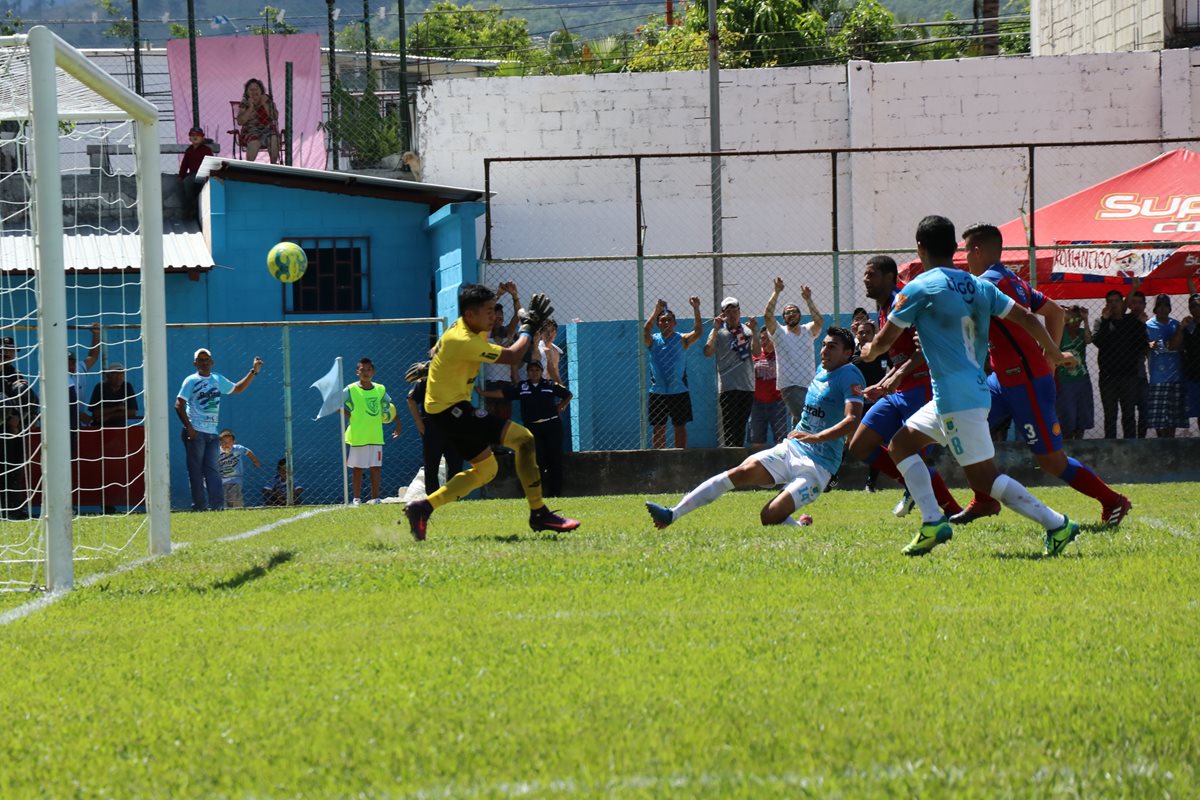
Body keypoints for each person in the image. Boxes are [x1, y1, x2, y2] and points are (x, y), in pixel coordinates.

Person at [859, 215, 1080, 557]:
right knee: (900, 445)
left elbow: (885, 343)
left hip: (956, 398)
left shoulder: (919, 287)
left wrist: (868, 349)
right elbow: (1026, 317)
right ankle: (933, 521)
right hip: (967, 390)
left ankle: (1057, 524)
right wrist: (1053, 352)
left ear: (920, 247)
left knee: (984, 480)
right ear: (954, 249)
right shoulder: (978, 285)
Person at [950, 223, 1129, 526]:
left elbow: (1042, 317)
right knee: (968, 430)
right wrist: (1051, 356)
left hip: (1026, 382)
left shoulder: (988, 283)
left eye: (965, 251)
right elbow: (1055, 312)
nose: (963, 257)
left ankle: (1113, 501)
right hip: (1002, 381)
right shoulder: (1011, 279)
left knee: (1051, 461)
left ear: (977, 251)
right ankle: (984, 500)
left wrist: (1052, 358)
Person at [402, 284, 580, 540]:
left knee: (486, 470)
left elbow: (437, 351)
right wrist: (528, 327)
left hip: (445, 411)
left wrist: (433, 365)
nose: (494, 316)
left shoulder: (462, 327)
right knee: (524, 439)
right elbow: (512, 355)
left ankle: (423, 507)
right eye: (489, 312)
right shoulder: (465, 339)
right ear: (471, 315)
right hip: (452, 412)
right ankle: (539, 513)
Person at [645, 328, 864, 530]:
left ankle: (800, 526)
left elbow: (853, 419)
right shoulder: (822, 369)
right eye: (824, 344)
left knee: (769, 516)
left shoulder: (849, 375)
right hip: (792, 449)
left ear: (847, 353)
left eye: (832, 347)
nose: (824, 350)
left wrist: (815, 437)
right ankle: (671, 514)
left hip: (818, 466)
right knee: (735, 474)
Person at [845, 256, 962, 519]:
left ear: (889, 277)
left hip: (920, 388)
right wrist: (883, 382)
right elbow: (898, 356)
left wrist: (897, 375)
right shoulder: (885, 306)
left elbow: (924, 350)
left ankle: (953, 512)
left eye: (871, 274)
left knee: (913, 457)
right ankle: (913, 486)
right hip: (899, 390)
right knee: (859, 444)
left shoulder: (903, 301)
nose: (865, 279)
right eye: (865, 274)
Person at [175, 348, 263, 511]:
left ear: (212, 361)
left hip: (212, 433)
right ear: (195, 363)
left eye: (207, 359)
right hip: (195, 431)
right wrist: (189, 428)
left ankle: (217, 507)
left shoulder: (217, 379)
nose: (204, 362)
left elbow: (237, 388)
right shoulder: (191, 380)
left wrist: (253, 371)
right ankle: (199, 507)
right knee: (196, 471)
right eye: (200, 360)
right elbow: (179, 404)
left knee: (213, 470)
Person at [480, 360, 573, 497]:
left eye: (537, 370)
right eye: (531, 370)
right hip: (533, 427)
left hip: (552, 426)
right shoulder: (523, 387)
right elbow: (504, 394)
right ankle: (537, 493)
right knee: (537, 459)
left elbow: (568, 394)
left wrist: (561, 406)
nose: (534, 373)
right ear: (527, 373)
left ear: (541, 372)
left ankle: (556, 494)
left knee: (554, 459)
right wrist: (483, 393)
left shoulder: (550, 384)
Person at [643, 296, 703, 449]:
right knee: (658, 428)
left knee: (680, 427)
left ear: (675, 323)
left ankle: (680, 458)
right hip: (658, 392)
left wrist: (696, 308)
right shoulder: (653, 340)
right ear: (658, 324)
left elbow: (698, 331)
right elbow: (645, 329)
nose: (666, 323)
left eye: (669, 320)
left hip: (679, 391)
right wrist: (656, 310)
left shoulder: (682, 339)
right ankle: (659, 460)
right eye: (662, 320)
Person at [763, 277, 824, 426]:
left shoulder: (807, 330)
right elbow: (767, 316)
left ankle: (794, 445)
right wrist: (776, 292)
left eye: (794, 312)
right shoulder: (779, 333)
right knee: (805, 416)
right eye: (787, 312)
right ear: (783, 317)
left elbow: (819, 322)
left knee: (799, 419)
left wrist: (808, 300)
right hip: (789, 384)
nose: (791, 314)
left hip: (809, 383)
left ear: (799, 315)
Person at [343, 357, 401, 505]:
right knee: (358, 468)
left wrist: (398, 423)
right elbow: (336, 403)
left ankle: (376, 498)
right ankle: (356, 499)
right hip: (359, 435)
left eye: (369, 370)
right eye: (362, 370)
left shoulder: (380, 389)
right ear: (357, 372)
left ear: (373, 372)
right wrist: (350, 416)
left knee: (375, 467)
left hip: (375, 435)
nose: (366, 373)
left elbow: (389, 407)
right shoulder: (351, 389)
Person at [705, 296, 760, 447]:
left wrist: (755, 331)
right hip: (728, 387)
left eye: (734, 311)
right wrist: (715, 328)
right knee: (729, 427)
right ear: (723, 314)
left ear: (739, 312)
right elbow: (708, 352)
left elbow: (756, 352)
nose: (732, 315)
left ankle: (739, 462)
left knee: (741, 427)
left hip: (747, 386)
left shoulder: (747, 331)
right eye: (728, 312)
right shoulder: (719, 332)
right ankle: (731, 462)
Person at [1093, 289, 1148, 439]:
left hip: (1129, 376)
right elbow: (1098, 342)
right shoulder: (1101, 321)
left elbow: (1142, 344)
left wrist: (1141, 326)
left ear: (1123, 303)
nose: (1113, 304)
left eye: (1116, 301)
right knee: (1110, 417)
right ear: (1106, 304)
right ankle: (1110, 450)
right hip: (1108, 377)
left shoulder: (1132, 321)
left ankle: (1130, 449)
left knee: (1129, 416)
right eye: (1110, 302)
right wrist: (1105, 320)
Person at [405, 361, 463, 496]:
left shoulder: (453, 381)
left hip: (452, 427)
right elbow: (411, 399)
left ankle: (453, 495)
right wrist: (419, 422)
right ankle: (433, 497)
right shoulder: (425, 382)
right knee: (432, 464)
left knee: (456, 462)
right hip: (432, 427)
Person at [850, 319, 888, 491]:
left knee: (877, 443)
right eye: (860, 333)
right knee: (848, 442)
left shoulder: (883, 353)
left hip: (877, 405)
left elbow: (896, 369)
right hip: (856, 405)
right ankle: (831, 479)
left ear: (874, 335)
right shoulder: (853, 355)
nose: (864, 335)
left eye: (867, 332)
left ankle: (870, 482)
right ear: (856, 335)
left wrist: (882, 388)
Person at [1144, 293, 1186, 438]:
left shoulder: (1176, 324)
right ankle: (1162, 445)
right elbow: (1165, 346)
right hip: (1158, 378)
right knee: (1158, 419)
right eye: (1159, 306)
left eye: (1166, 306)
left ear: (1170, 308)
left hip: (1176, 377)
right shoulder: (1148, 325)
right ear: (1155, 309)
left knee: (1173, 418)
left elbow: (1175, 346)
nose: (1162, 309)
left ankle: (1171, 446)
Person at [482, 282, 520, 421]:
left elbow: (517, 316)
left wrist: (515, 296)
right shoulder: (486, 334)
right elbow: (486, 310)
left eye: (501, 318)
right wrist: (498, 295)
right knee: (489, 419)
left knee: (504, 420)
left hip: (505, 383)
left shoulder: (507, 333)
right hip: (489, 382)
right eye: (495, 317)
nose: (499, 320)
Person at [1056, 305, 1094, 439]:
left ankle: (1079, 444)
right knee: (1067, 419)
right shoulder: (1061, 333)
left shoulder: (1082, 333)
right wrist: (1062, 321)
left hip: (1082, 380)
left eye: (1079, 320)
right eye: (1073, 319)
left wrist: (1086, 320)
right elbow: (1053, 348)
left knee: (1082, 418)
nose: (1076, 323)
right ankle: (1068, 446)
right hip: (1065, 381)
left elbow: (1089, 340)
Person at [747, 327, 789, 448]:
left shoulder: (781, 356)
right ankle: (757, 465)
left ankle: (780, 464)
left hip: (777, 402)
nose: (764, 341)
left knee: (781, 440)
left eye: (768, 338)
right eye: (762, 338)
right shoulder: (755, 355)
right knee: (757, 439)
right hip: (757, 403)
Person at [236, 78, 280, 164]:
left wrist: (264, 104)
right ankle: (248, 168)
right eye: (251, 89)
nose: (254, 91)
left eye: (256, 88)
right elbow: (240, 121)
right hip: (251, 131)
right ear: (247, 92)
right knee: (254, 142)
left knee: (274, 139)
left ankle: (274, 165)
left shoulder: (267, 100)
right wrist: (250, 108)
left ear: (261, 90)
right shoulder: (245, 103)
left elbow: (275, 117)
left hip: (268, 130)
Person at [218, 429, 261, 509]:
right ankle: (224, 511)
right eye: (224, 442)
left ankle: (237, 509)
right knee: (222, 500)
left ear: (234, 442)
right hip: (221, 480)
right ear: (220, 442)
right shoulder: (216, 451)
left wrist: (255, 461)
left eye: (229, 442)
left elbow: (248, 452)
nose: (226, 444)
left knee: (235, 498)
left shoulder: (238, 449)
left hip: (235, 479)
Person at [177, 126, 212, 221]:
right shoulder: (189, 150)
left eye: (198, 135)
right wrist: (181, 176)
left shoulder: (206, 150)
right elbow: (184, 164)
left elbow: (210, 163)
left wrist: (209, 175)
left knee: (195, 186)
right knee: (186, 182)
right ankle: (192, 207)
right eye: (192, 135)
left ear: (202, 138)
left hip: (204, 173)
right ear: (189, 138)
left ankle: (194, 208)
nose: (195, 137)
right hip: (193, 174)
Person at [88, 362, 139, 427]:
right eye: (115, 373)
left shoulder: (127, 386)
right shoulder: (100, 387)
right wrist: (117, 408)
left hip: (120, 430)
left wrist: (109, 416)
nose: (119, 376)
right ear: (108, 376)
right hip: (100, 429)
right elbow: (97, 413)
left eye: (121, 373)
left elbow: (132, 412)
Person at [1182, 283, 1200, 434]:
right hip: (1194, 375)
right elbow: (1171, 346)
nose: (1195, 308)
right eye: (1192, 306)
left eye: (1198, 306)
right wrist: (1188, 279)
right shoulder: (1188, 326)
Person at [535, 319, 563, 384]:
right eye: (546, 331)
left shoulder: (556, 351)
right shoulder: (537, 349)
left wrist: (562, 388)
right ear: (541, 333)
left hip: (549, 385)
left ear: (555, 333)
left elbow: (556, 372)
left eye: (552, 331)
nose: (549, 334)